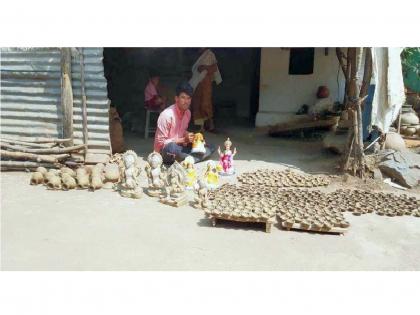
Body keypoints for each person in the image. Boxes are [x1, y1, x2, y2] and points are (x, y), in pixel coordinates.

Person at [154, 82, 215, 165]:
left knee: (210, 146)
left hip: (180, 147)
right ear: (176, 98)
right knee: (172, 148)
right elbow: (160, 144)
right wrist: (183, 140)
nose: (186, 101)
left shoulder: (188, 113)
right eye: (183, 98)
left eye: (188, 98)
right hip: (165, 152)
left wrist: (191, 137)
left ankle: (188, 159)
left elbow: (182, 131)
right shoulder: (167, 115)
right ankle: (193, 158)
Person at [189, 48, 222, 132]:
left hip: (206, 82)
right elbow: (195, 69)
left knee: (205, 104)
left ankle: (211, 125)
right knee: (197, 103)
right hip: (197, 83)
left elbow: (214, 68)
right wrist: (201, 68)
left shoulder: (210, 54)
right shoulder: (197, 55)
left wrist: (205, 67)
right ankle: (201, 127)